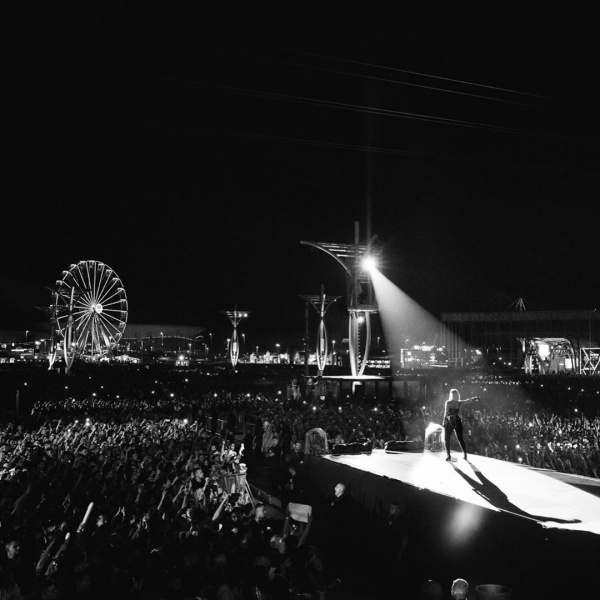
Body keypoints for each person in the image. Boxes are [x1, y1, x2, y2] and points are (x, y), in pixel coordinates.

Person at [443, 389, 479, 461]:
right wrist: (474, 399)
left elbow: (446, 412)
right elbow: (467, 401)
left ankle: (449, 455)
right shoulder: (458, 403)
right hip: (457, 420)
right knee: (460, 438)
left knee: (447, 439)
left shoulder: (449, 403)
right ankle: (464, 454)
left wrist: (444, 421)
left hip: (450, 420)